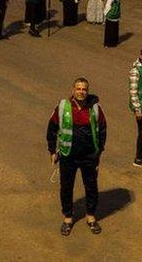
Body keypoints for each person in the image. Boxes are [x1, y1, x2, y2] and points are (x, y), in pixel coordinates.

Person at [46, 78, 107, 237]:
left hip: (89, 156)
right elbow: (52, 128)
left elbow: (102, 130)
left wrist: (98, 152)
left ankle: (91, 216)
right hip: (68, 155)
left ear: (87, 91)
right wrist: (52, 150)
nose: (81, 92)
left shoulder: (95, 108)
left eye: (84, 89)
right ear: (73, 90)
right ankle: (67, 217)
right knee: (66, 187)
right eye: (78, 89)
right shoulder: (63, 107)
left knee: (91, 186)